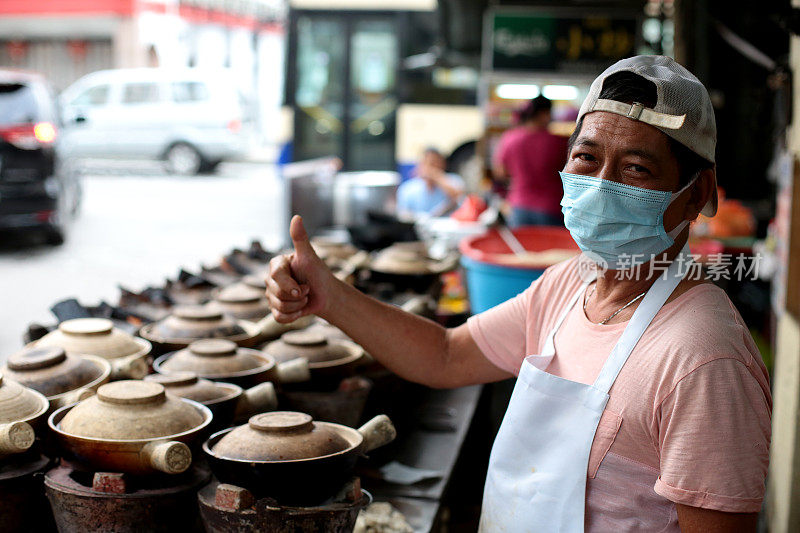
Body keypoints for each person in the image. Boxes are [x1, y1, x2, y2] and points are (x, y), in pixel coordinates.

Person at [267, 56, 770, 532]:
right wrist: (329, 297)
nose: (600, 186)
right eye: (586, 158)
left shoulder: (705, 360)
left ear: (699, 193)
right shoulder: (570, 284)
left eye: (636, 169)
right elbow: (445, 356)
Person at [493, 95, 568, 227]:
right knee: (551, 247)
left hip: (519, 207)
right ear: (544, 114)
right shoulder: (559, 142)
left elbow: (500, 173)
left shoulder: (509, 138)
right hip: (551, 208)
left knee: (523, 247)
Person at [396, 148, 465, 219]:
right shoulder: (408, 187)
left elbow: (459, 196)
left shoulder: (453, 180)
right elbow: (403, 213)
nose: (429, 168)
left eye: (433, 164)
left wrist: (436, 177)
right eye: (425, 163)